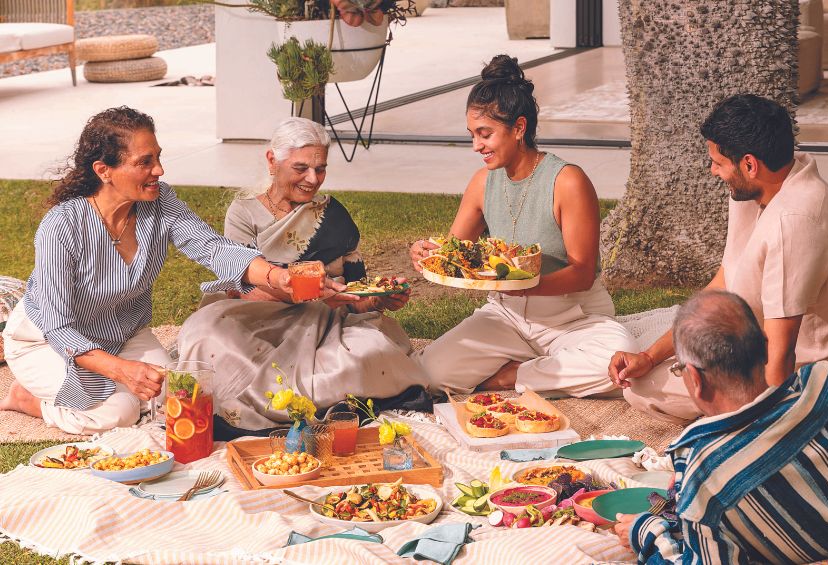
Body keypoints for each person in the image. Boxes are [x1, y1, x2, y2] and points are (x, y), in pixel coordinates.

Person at [0, 107, 340, 435]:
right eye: (145, 162)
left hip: (122, 333)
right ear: (104, 170)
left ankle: (105, 386)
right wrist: (123, 371)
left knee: (182, 397)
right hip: (47, 341)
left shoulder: (159, 201)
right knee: (119, 412)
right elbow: (58, 328)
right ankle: (27, 399)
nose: (159, 170)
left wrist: (278, 277)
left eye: (158, 157)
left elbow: (213, 247)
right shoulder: (62, 226)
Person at [608, 94, 828, 424]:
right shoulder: (761, 184)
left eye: (719, 163)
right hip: (746, 342)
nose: (713, 171)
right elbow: (723, 284)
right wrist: (649, 356)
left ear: (749, 165)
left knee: (643, 390)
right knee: (645, 376)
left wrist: (770, 441)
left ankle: (744, 421)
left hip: (805, 371)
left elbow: (781, 353)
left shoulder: (793, 222)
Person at [177, 117, 429, 431]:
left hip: (322, 320)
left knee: (372, 352)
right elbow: (243, 286)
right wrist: (307, 289)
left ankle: (300, 399)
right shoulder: (244, 213)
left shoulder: (333, 215)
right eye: (300, 168)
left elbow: (353, 295)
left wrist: (379, 299)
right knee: (207, 336)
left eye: (320, 168)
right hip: (257, 315)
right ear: (272, 160)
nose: (313, 178)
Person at [409, 55, 637, 396]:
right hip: (507, 318)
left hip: (573, 319)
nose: (476, 146)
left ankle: (508, 378)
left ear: (518, 128)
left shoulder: (567, 181)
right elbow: (453, 254)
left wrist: (523, 285)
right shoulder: (482, 183)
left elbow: (583, 272)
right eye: (472, 135)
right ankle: (543, 371)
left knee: (619, 364)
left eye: (485, 134)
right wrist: (427, 254)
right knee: (429, 374)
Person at [613, 290, 828, 564]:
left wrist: (647, 532)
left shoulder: (706, 477)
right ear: (764, 347)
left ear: (696, 379)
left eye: (679, 368)